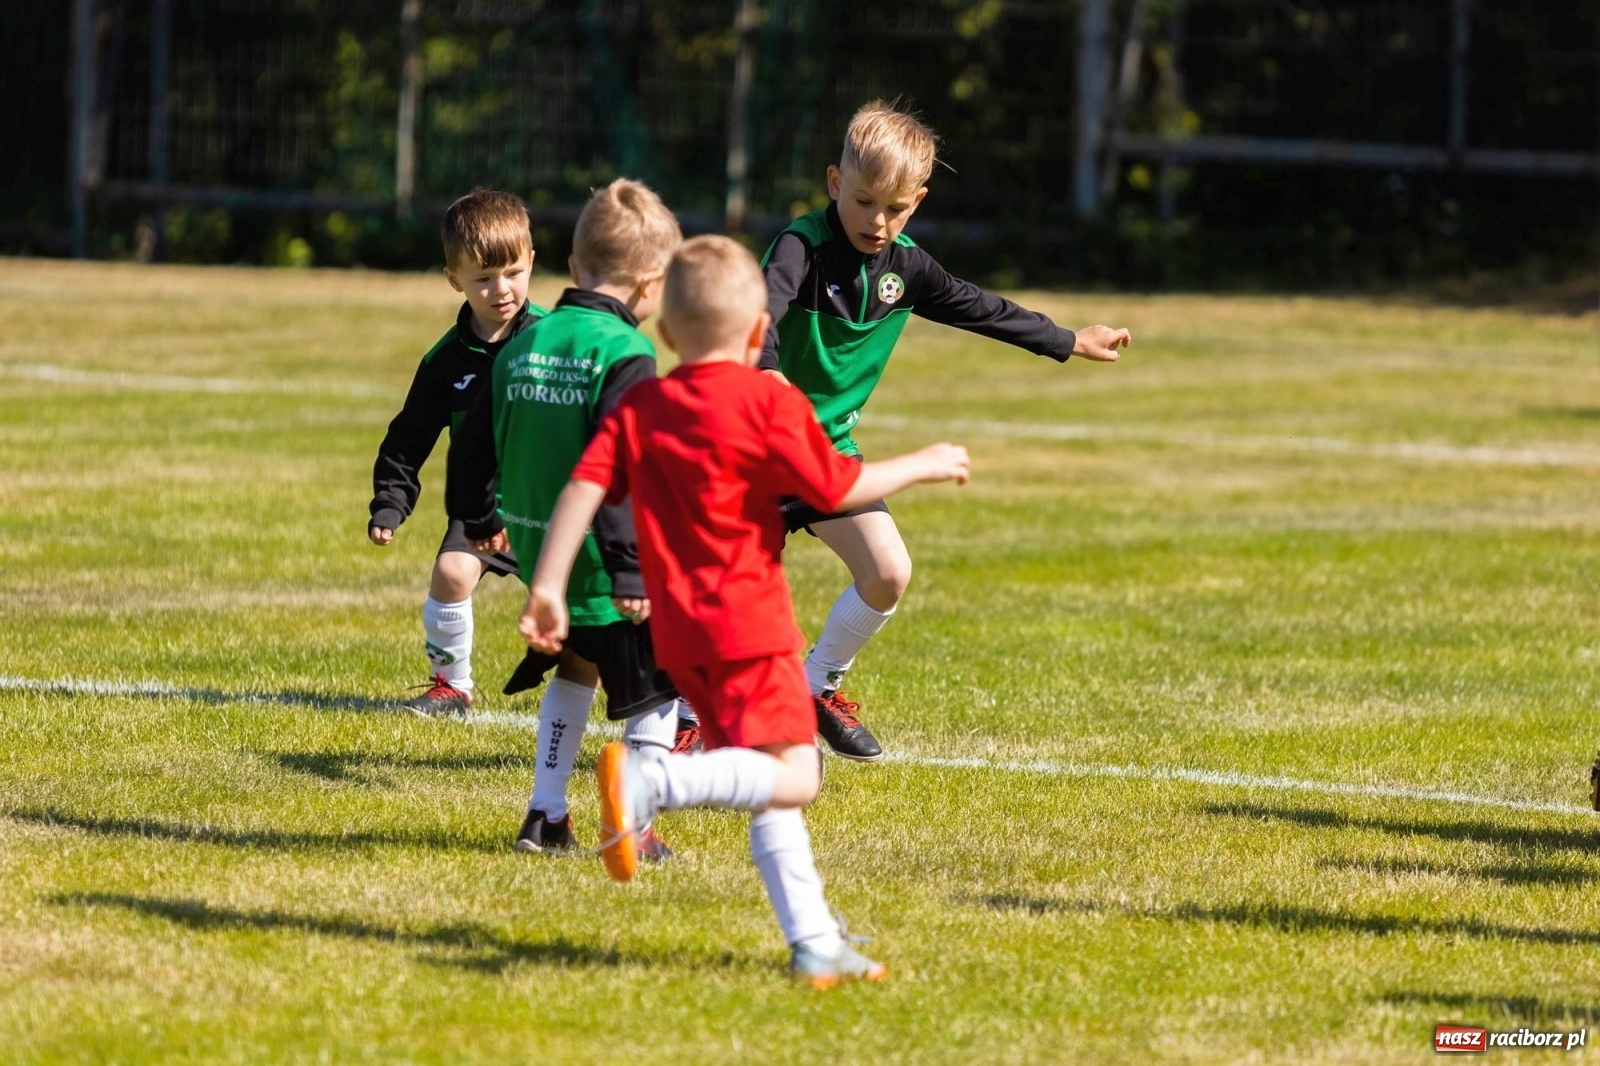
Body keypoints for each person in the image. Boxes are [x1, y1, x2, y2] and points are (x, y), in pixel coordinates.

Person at [518, 234, 970, 986]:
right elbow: (835, 489)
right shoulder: (766, 399)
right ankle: (650, 785)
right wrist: (922, 465)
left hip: (675, 634)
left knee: (767, 784)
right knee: (796, 778)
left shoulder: (646, 405)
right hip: (746, 629)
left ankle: (813, 940)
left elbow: (583, 488)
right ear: (763, 333)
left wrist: (548, 585)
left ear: (664, 334)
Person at [759, 100, 1132, 760]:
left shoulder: (906, 267)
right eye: (865, 201)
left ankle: (815, 687)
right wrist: (767, 379)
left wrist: (1069, 339)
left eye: (897, 208)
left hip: (829, 457)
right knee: (728, 600)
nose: (878, 222)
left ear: (918, 201)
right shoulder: (799, 247)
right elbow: (755, 319)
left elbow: (979, 308)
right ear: (834, 182)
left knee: (888, 572)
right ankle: (683, 720)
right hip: (755, 454)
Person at [449, 178, 688, 859]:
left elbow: (471, 442)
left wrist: (478, 516)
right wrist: (631, 569)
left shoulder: (524, 340)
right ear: (650, 284)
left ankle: (545, 816)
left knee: (576, 667)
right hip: (600, 555)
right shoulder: (625, 355)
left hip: (533, 543)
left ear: (577, 268)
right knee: (658, 692)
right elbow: (618, 473)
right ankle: (634, 827)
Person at [367, 188, 545, 717]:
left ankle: (663, 703)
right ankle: (452, 686)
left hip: (552, 502)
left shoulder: (554, 343)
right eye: (483, 278)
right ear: (454, 280)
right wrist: (390, 502)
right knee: (450, 573)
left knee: (592, 612)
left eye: (513, 272)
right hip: (485, 502)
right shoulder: (445, 361)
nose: (501, 289)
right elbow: (410, 437)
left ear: (532, 261)